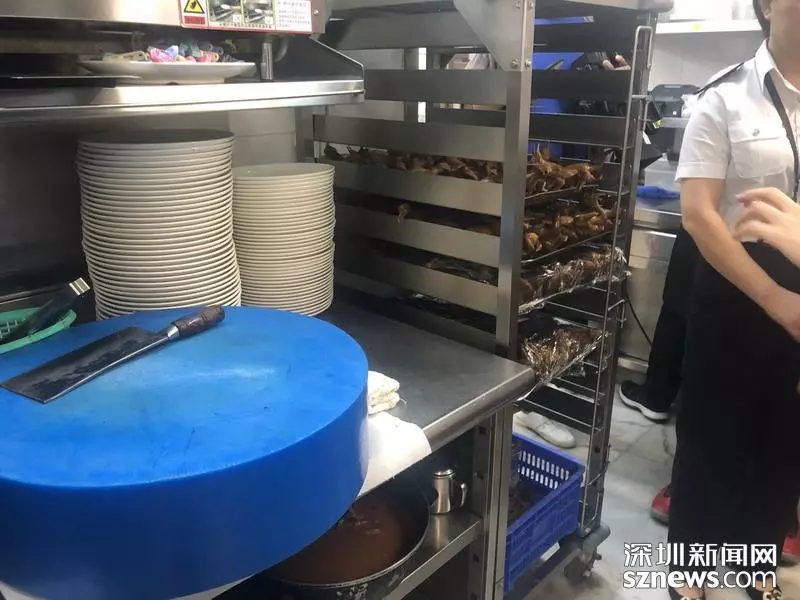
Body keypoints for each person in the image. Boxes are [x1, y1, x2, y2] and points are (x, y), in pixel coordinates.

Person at [669, 1, 800, 598]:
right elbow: (698, 214)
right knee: (712, 436)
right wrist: (776, 298)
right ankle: (690, 570)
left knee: (783, 440)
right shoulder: (723, 97)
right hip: (735, 290)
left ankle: (755, 562)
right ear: (768, 5)